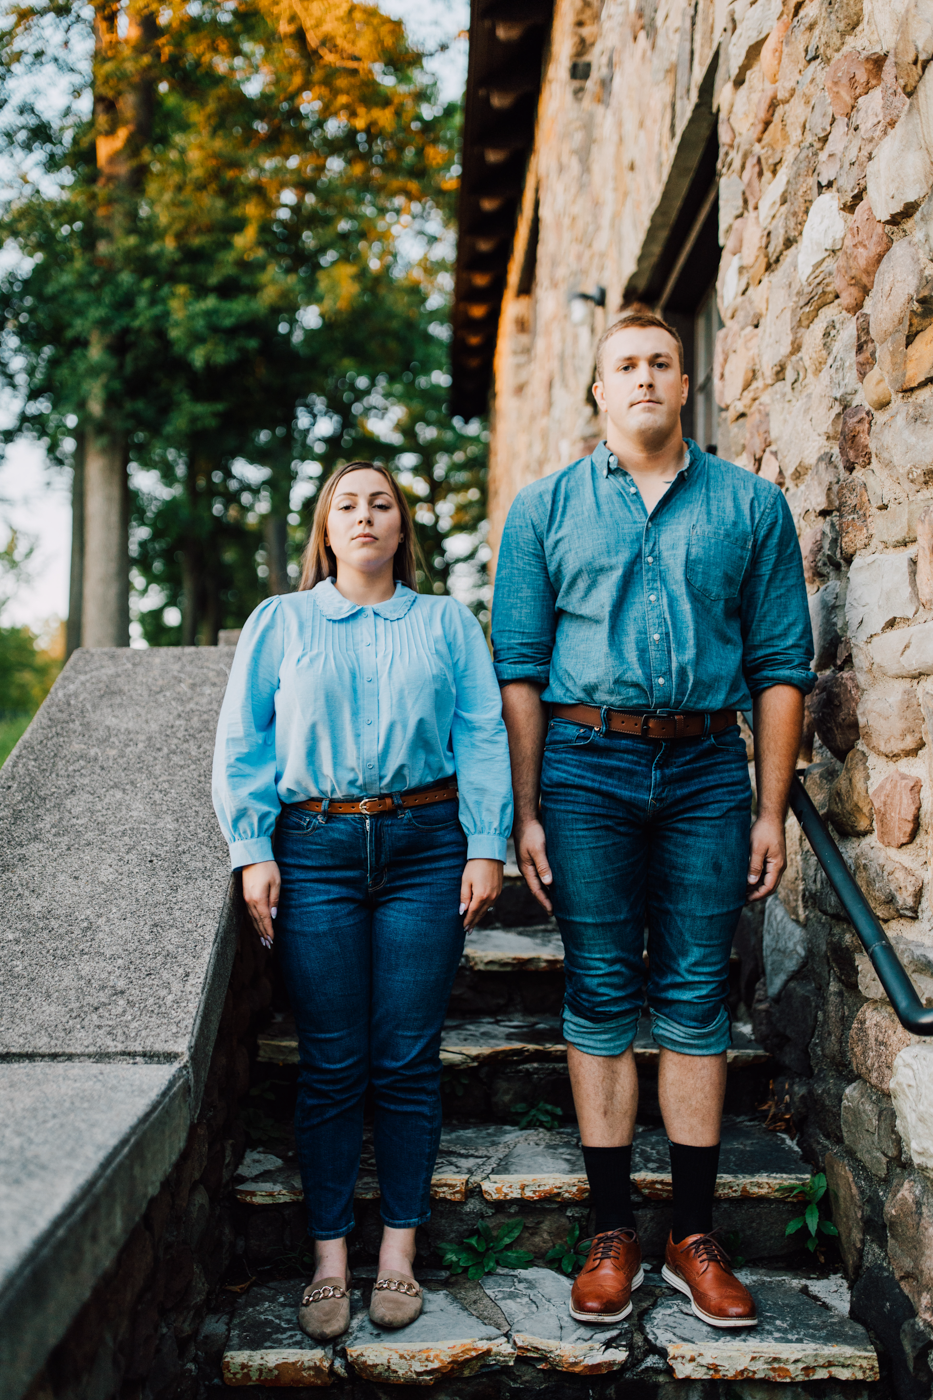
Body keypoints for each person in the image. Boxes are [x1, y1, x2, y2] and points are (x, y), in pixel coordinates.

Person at [491, 309, 815, 1329]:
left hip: (710, 772)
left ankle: (692, 1232)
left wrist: (770, 809)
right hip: (584, 766)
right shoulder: (543, 510)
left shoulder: (752, 508)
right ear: (600, 390)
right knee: (597, 987)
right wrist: (528, 810)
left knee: (692, 990)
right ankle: (609, 1225)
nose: (643, 377)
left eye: (660, 363)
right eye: (624, 364)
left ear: (687, 384)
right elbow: (520, 670)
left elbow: (779, 667)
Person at [213, 461, 512, 1340]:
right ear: (326, 527)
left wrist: (486, 843)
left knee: (407, 1058)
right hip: (316, 850)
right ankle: (330, 1259)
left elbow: (482, 732)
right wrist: (250, 850)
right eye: (347, 503)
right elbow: (244, 741)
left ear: (400, 526)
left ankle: (397, 1255)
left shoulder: (448, 624)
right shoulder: (282, 621)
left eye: (381, 502)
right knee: (335, 1061)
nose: (365, 515)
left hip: (426, 848)